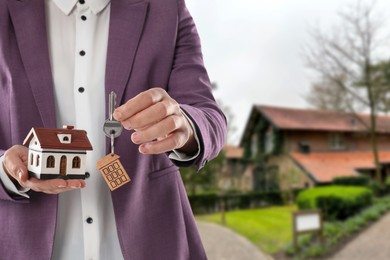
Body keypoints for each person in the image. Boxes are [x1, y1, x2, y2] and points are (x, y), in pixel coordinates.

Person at [0, 0, 227, 259]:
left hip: (152, 241)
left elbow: (210, 118)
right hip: (23, 245)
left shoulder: (166, 8)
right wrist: (5, 170)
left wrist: (184, 124)